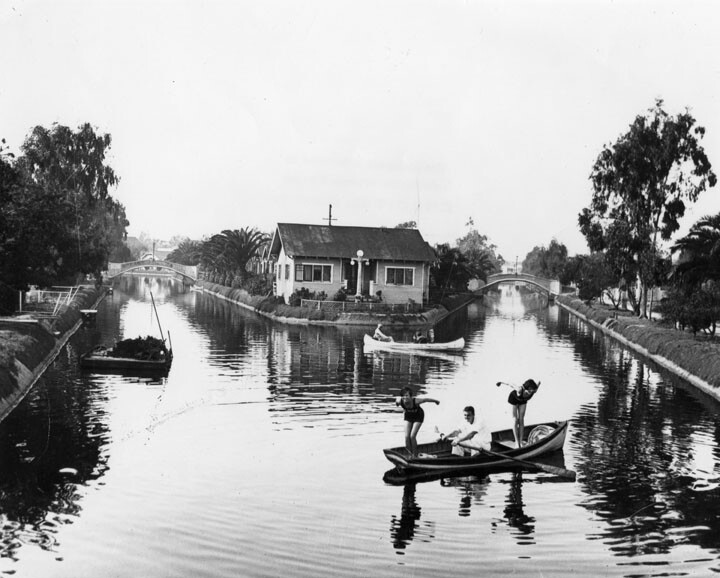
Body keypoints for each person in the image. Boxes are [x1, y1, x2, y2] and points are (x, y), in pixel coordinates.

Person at [395, 386, 439, 457]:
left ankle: (415, 456)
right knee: (407, 436)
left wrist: (436, 401)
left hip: (418, 416)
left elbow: (426, 399)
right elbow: (396, 401)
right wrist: (397, 404)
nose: (405, 398)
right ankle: (409, 455)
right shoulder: (400, 401)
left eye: (407, 396)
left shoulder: (416, 401)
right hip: (408, 416)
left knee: (412, 436)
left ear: (410, 396)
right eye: (403, 396)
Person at [507, 379, 540, 448]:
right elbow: (511, 383)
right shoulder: (519, 389)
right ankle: (517, 442)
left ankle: (521, 441)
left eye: (531, 392)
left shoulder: (533, 390)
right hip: (513, 398)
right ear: (525, 388)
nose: (529, 393)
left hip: (523, 401)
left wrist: (538, 383)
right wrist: (501, 383)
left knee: (521, 419)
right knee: (515, 420)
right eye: (528, 391)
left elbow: (538, 383)